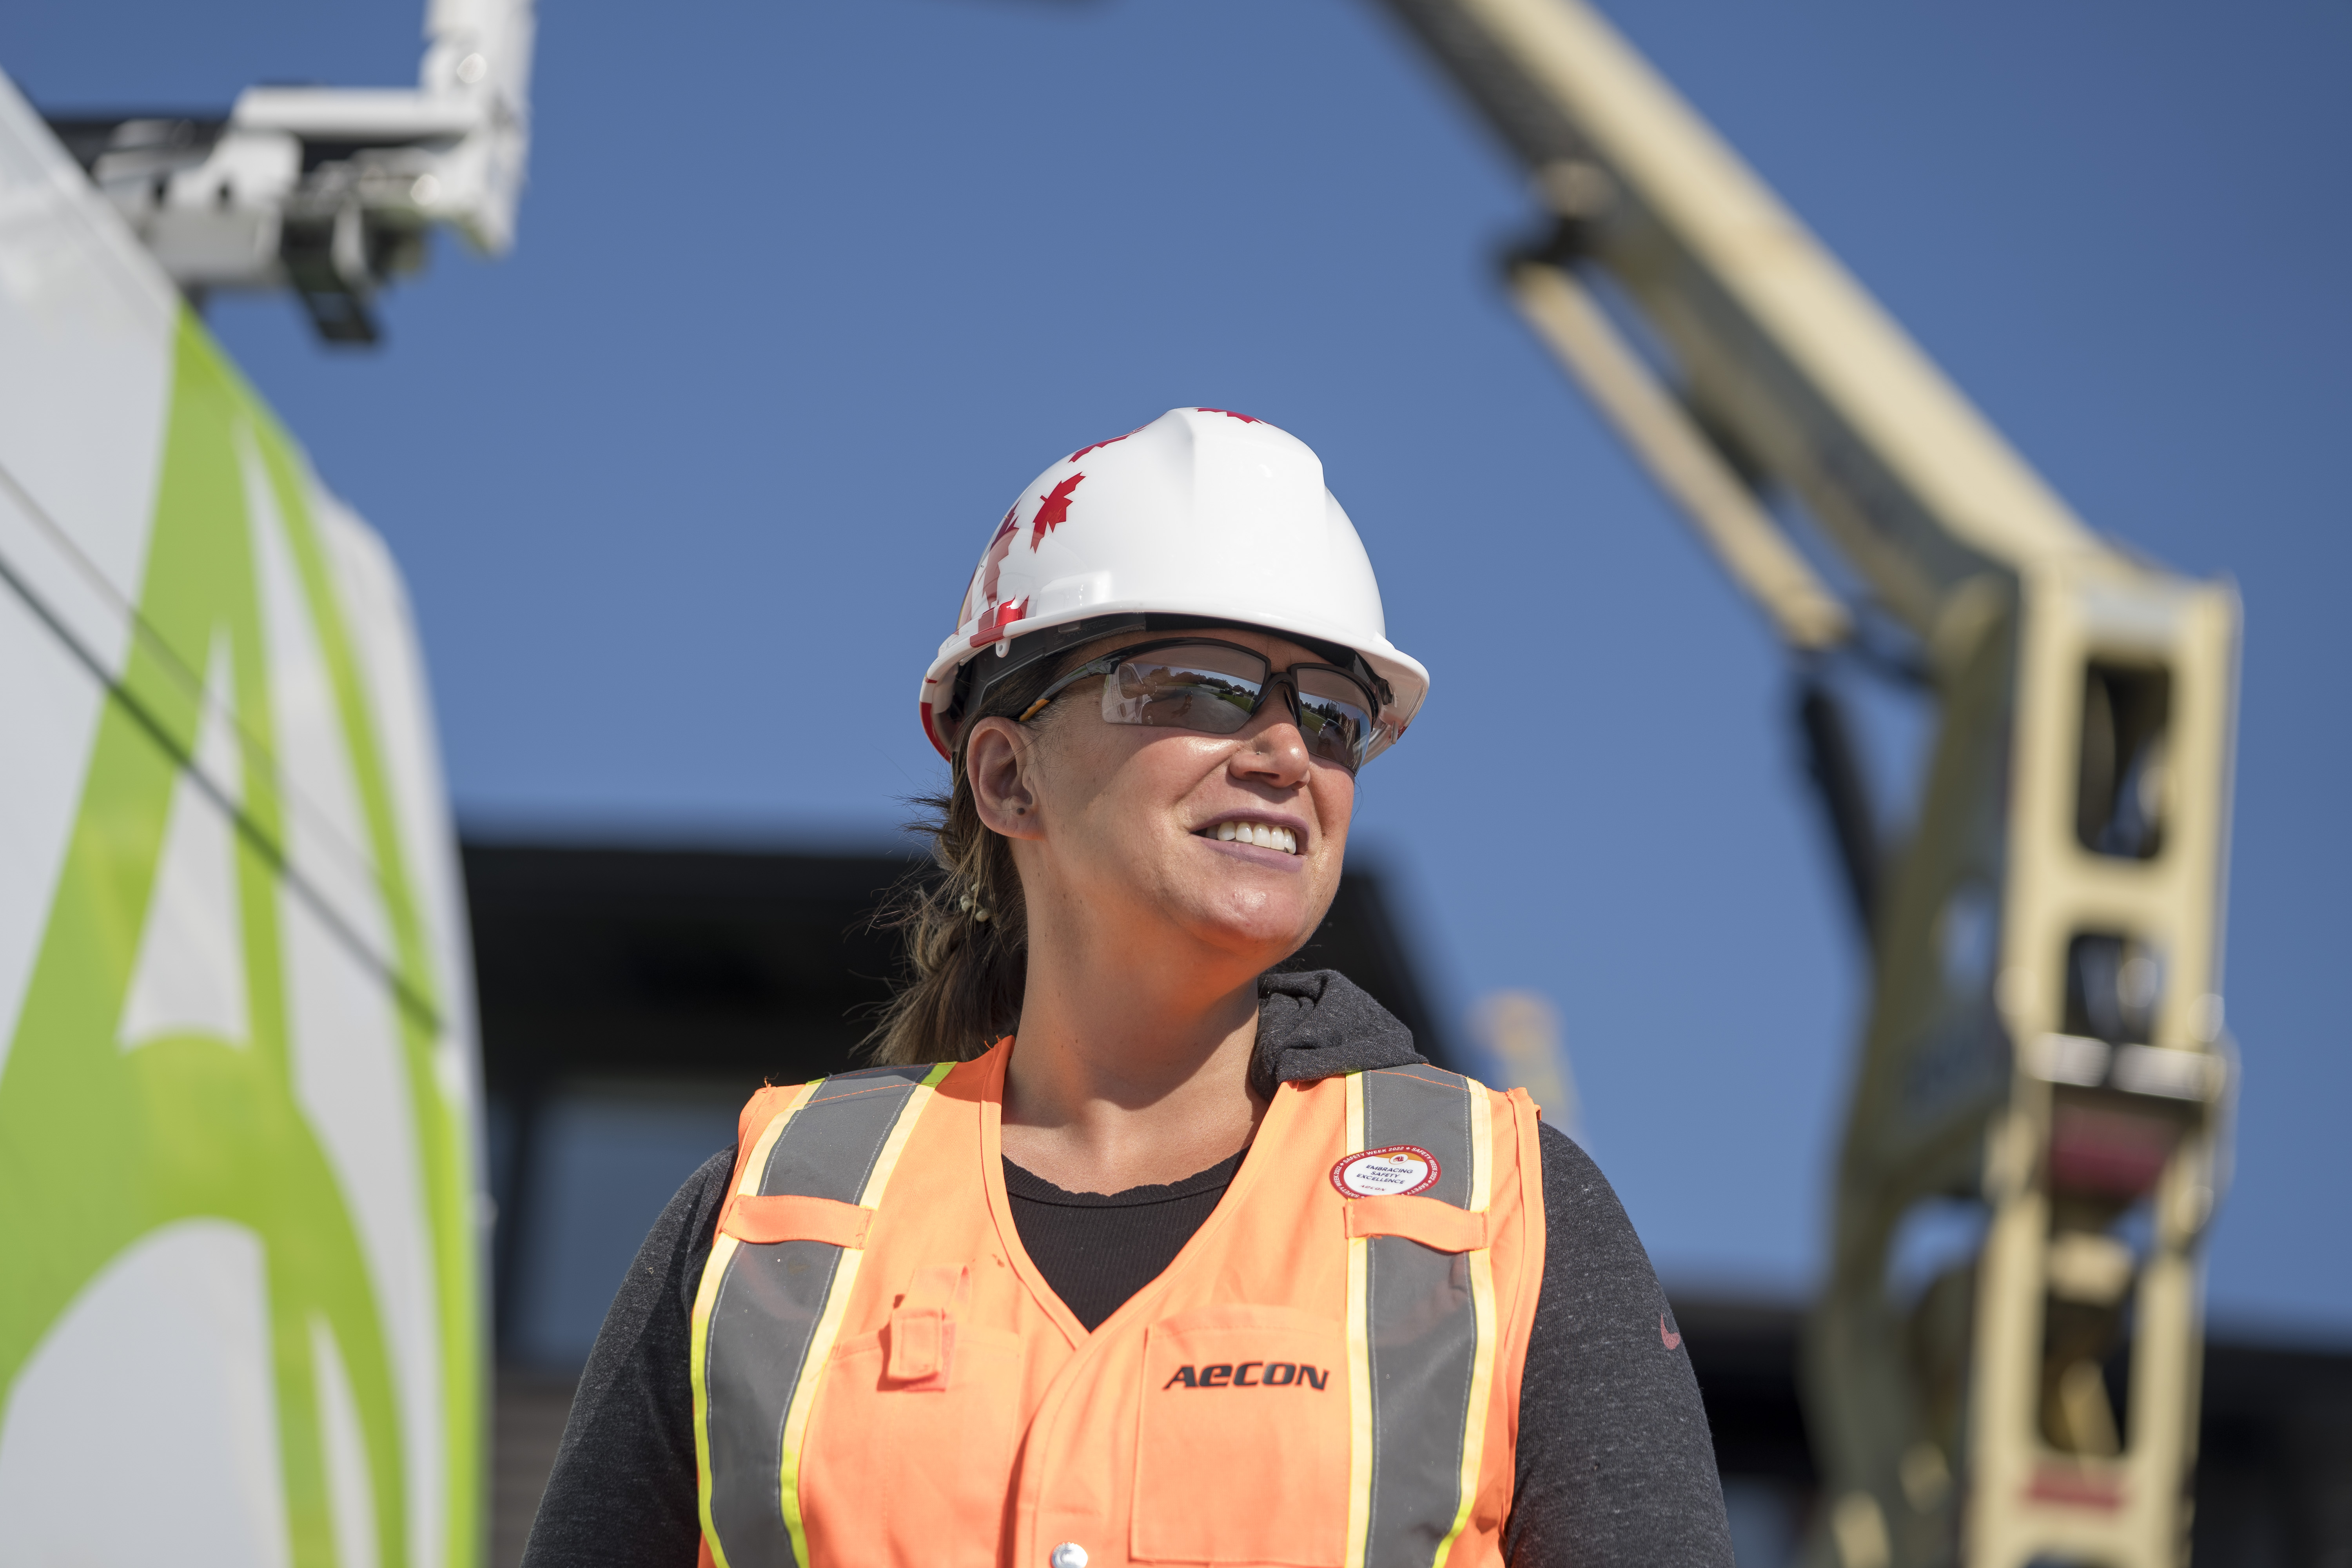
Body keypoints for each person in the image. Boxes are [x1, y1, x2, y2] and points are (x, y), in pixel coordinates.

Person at [521, 408, 1733, 1567]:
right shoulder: (772, 1215)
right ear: (1007, 777)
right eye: (1198, 686)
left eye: (1331, 714)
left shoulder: (1500, 1215)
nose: (1282, 753)